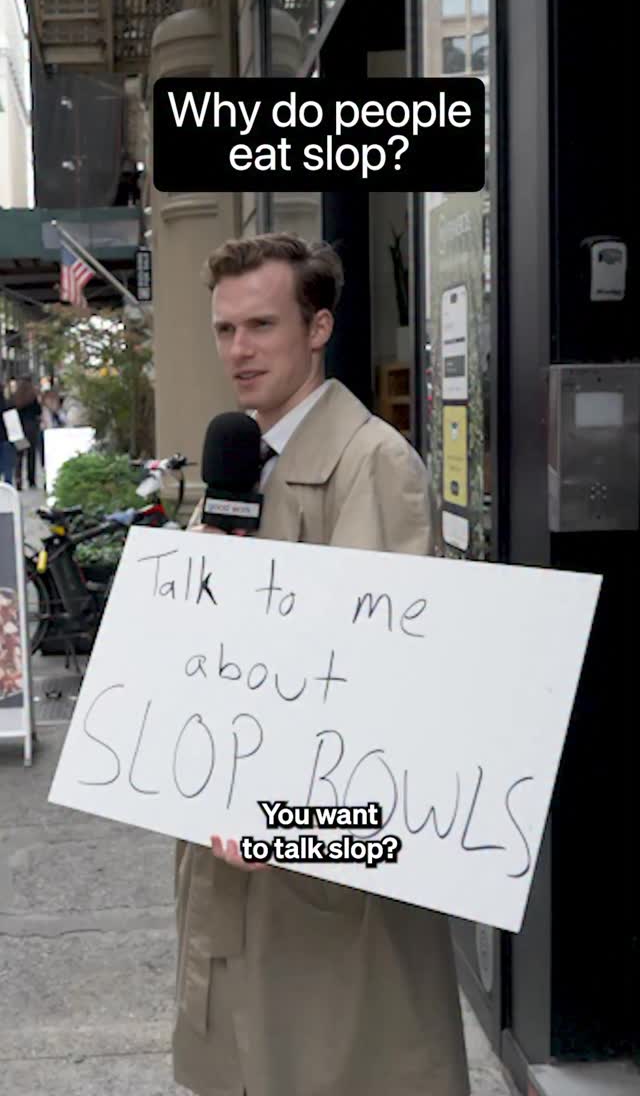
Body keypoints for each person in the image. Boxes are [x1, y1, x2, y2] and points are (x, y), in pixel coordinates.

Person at [173, 233, 470, 1096]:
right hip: (234, 854)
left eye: (262, 325)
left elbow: (380, 691)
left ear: (319, 327)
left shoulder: (373, 463)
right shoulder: (241, 457)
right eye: (225, 329)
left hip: (312, 871)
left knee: (339, 1064)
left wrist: (292, 828)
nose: (238, 350)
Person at [12, 377, 41, 490]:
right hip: (31, 428)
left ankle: (18, 480)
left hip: (19, 429)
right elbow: (38, 411)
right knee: (31, 455)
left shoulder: (16, 397)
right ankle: (31, 480)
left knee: (19, 455)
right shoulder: (32, 396)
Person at [0, 380, 16, 485]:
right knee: (7, 468)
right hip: (6, 438)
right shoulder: (7, 404)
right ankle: (8, 489)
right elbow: (13, 425)